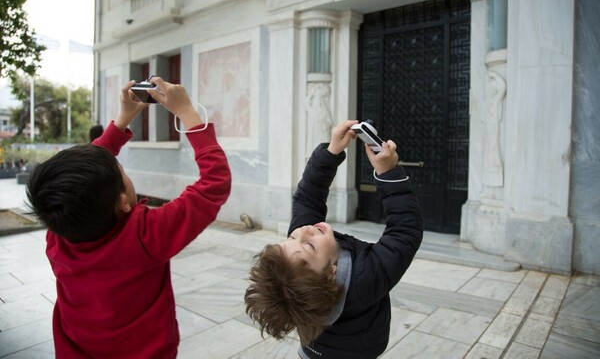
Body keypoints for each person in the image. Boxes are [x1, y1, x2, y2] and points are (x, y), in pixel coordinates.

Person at [26, 77, 232, 358]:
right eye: (123, 172)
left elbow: (88, 173)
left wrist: (123, 118)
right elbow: (214, 184)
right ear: (123, 202)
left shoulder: (59, 233)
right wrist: (187, 113)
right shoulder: (145, 235)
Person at [244, 120, 423, 359]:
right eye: (307, 244)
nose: (303, 231)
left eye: (291, 237)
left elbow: (308, 198)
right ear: (331, 274)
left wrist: (330, 153)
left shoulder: (301, 274)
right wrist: (388, 173)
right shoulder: (368, 278)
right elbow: (405, 231)